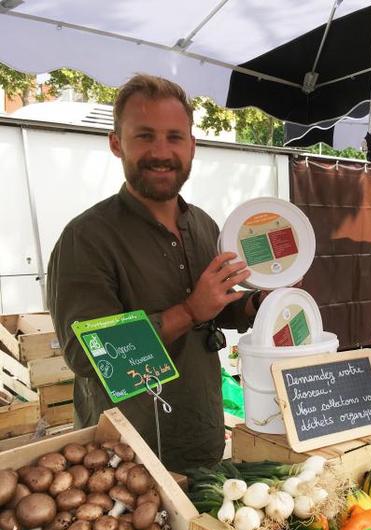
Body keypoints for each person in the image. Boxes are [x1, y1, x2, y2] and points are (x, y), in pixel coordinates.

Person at [47, 74, 265, 471]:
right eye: (144, 136)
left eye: (175, 137)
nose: (161, 152)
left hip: (203, 438)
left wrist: (258, 301)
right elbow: (88, 355)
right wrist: (188, 311)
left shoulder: (203, 225)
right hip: (125, 462)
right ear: (116, 143)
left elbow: (217, 308)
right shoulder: (86, 238)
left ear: (193, 146)